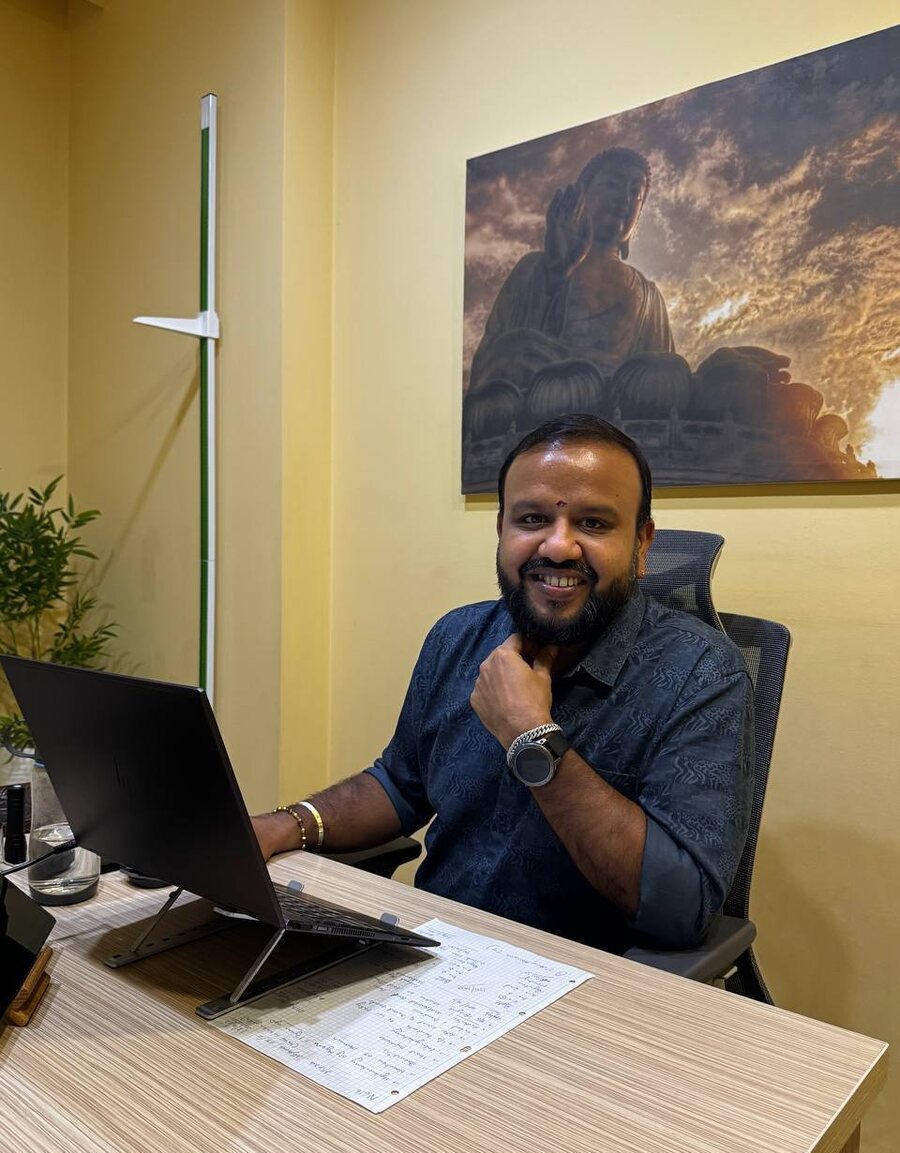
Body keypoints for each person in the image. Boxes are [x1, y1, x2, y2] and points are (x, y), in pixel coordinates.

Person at [254, 415, 753, 952]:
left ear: (642, 543)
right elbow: (401, 784)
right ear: (501, 530)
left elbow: (681, 907)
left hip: (584, 978)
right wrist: (288, 825)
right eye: (533, 518)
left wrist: (531, 736)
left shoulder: (704, 674)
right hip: (431, 953)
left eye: (593, 523)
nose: (558, 547)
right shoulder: (457, 636)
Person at [467, 148, 674, 394]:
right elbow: (493, 357)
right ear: (580, 198)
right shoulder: (535, 267)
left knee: (669, 370)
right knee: (513, 350)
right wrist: (556, 272)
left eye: (635, 193)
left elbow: (661, 378)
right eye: (612, 185)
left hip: (616, 396)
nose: (624, 198)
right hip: (542, 392)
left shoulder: (649, 297)